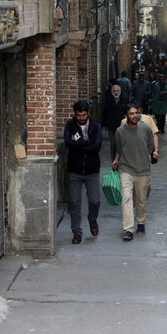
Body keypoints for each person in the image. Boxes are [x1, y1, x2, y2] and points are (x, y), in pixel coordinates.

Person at [113, 105, 157, 241]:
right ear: (126, 116)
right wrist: (116, 160)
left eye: (136, 113)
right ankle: (128, 229)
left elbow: (151, 146)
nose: (134, 116)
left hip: (143, 169)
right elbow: (119, 148)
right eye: (131, 113)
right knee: (126, 197)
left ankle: (141, 221)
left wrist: (154, 154)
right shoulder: (120, 131)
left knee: (141, 199)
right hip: (126, 169)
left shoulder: (145, 129)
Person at [64, 101, 102, 244]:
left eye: (84, 115)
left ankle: (92, 218)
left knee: (95, 200)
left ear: (88, 113)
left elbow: (97, 146)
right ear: (75, 114)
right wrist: (87, 142)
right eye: (78, 115)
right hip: (74, 170)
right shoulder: (70, 125)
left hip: (92, 169)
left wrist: (78, 146)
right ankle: (77, 232)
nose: (81, 118)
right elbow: (68, 143)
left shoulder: (95, 126)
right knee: (74, 202)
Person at [102, 84, 127, 160]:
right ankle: (114, 161)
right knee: (113, 144)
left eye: (117, 91)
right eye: (114, 91)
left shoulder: (124, 100)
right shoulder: (108, 101)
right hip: (111, 125)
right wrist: (104, 124)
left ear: (120, 91)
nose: (116, 92)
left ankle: (122, 160)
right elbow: (104, 113)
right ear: (111, 91)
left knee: (122, 143)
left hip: (122, 126)